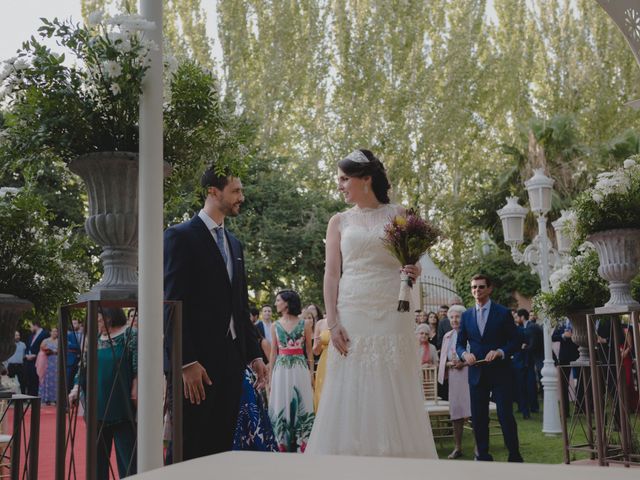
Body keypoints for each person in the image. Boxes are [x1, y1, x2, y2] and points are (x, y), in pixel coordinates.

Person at [306, 148, 437, 458]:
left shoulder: (400, 214)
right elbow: (331, 275)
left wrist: (414, 269)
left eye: (343, 179)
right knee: (351, 385)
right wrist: (333, 321)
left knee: (392, 381)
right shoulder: (338, 221)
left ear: (365, 179)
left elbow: (414, 264)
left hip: (393, 309)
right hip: (352, 310)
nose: (339, 185)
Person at [163, 167, 267, 460]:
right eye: (235, 191)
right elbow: (171, 303)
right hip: (195, 367)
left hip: (231, 363)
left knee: (220, 448)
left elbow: (240, 306)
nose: (241, 197)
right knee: (187, 445)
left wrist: (254, 353)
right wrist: (185, 361)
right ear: (213, 191)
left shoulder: (235, 244)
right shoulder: (179, 236)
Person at [456, 274, 523, 462]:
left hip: (501, 372)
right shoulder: (467, 315)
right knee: (478, 418)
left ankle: (514, 456)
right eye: (474, 287)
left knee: (505, 416)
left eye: (481, 287)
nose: (477, 290)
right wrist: (464, 354)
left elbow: (516, 340)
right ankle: (483, 456)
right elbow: (460, 344)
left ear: (489, 289)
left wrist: (501, 351)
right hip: (477, 373)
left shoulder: (502, 312)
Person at [70, 308, 138, 479]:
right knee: (97, 460)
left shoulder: (130, 335)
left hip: (123, 407)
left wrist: (136, 387)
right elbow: (83, 369)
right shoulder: (93, 339)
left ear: (109, 318)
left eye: (99, 319)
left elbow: (138, 365)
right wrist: (76, 389)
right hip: (97, 407)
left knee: (128, 458)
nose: (97, 323)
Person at [268, 290, 315, 452]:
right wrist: (269, 376)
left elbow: (309, 351)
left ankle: (302, 445)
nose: (276, 304)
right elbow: (273, 352)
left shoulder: (305, 324)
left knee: (302, 401)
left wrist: (311, 373)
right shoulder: (275, 325)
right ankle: (282, 443)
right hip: (281, 370)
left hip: (300, 369)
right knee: (281, 401)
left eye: (278, 300)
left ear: (287, 303)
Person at [438, 304, 472, 459]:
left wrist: (463, 363)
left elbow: (476, 354)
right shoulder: (447, 336)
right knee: (456, 413)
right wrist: (448, 364)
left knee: (473, 412)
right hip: (454, 377)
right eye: (451, 317)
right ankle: (458, 448)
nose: (454, 320)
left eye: (457, 316)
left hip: (469, 375)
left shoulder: (471, 333)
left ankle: (479, 448)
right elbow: (442, 360)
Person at [24, 321, 49, 397]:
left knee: (36, 378)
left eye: (31, 326)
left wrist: (36, 355)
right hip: (29, 360)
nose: (30, 328)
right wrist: (26, 355)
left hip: (39, 359)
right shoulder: (31, 335)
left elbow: (46, 346)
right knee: (30, 378)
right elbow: (28, 346)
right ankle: (30, 395)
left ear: (35, 326)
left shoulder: (45, 334)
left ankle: (35, 396)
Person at [312, 316, 329, 412]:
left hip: (342, 360)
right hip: (324, 362)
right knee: (323, 392)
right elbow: (316, 352)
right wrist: (318, 344)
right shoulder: (320, 323)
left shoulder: (346, 318)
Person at [37, 327, 58, 404]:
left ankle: (55, 398)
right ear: (50, 332)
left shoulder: (59, 341)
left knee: (56, 380)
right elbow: (41, 350)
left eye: (56, 331)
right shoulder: (45, 340)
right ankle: (46, 398)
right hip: (47, 363)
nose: (55, 333)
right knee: (46, 379)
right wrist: (48, 351)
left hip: (56, 363)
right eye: (53, 331)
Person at [67, 319, 84, 394]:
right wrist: (79, 346)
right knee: (69, 378)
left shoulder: (83, 334)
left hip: (81, 358)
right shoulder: (68, 335)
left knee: (79, 377)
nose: (74, 325)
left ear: (79, 324)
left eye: (75, 323)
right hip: (71, 359)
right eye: (73, 323)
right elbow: (68, 345)